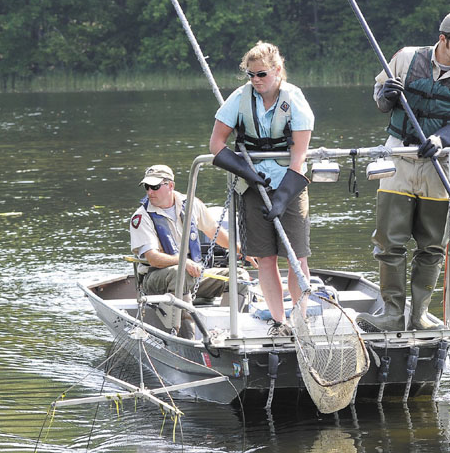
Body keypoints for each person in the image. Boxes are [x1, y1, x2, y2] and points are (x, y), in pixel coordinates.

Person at [358, 11, 450, 332]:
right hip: (399, 159)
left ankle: (418, 314)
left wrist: (441, 138)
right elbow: (379, 98)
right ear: (443, 39)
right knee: (389, 241)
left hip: (440, 167)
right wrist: (387, 96)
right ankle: (392, 314)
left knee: (432, 245)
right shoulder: (406, 59)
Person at [210, 41, 315, 336]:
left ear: (277, 71)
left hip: (290, 185)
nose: (256, 81)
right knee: (265, 257)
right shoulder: (239, 99)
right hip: (252, 186)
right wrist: (247, 173)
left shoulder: (295, 100)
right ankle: (280, 322)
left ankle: (300, 318)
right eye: (251, 75)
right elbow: (216, 145)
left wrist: (282, 198)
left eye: (262, 75)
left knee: (296, 255)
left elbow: (299, 158)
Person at [129, 164, 254, 339]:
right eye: (147, 187)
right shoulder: (141, 217)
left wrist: (243, 250)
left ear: (170, 185)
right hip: (156, 278)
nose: (150, 191)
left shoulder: (191, 204)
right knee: (181, 274)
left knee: (239, 276)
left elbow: (214, 232)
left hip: (193, 273)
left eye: (155, 186)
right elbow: (153, 258)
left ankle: (226, 331)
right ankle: (188, 338)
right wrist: (183, 263)